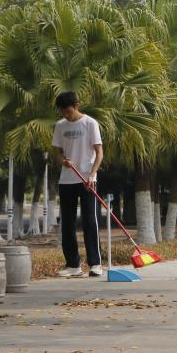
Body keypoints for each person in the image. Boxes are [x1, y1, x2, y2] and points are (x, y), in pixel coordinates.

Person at [51, 91, 104, 277]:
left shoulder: (90, 123)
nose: (66, 115)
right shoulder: (60, 126)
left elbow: (99, 153)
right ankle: (73, 265)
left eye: (68, 111)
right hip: (67, 179)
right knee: (67, 222)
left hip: (87, 180)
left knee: (90, 220)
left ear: (76, 106)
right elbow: (59, 152)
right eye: (62, 112)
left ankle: (95, 264)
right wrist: (63, 161)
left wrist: (92, 174)